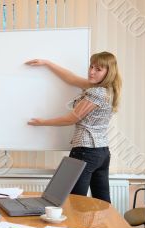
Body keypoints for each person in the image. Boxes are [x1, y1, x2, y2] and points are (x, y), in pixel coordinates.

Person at [25, 51, 122, 203]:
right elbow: (71, 78)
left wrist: (42, 122)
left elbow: (70, 119)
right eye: (91, 66)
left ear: (109, 72)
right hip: (102, 152)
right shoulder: (109, 90)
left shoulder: (97, 92)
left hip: (86, 151)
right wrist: (47, 63)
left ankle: (78, 227)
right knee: (103, 202)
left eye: (98, 69)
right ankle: (104, 227)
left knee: (75, 201)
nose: (91, 71)